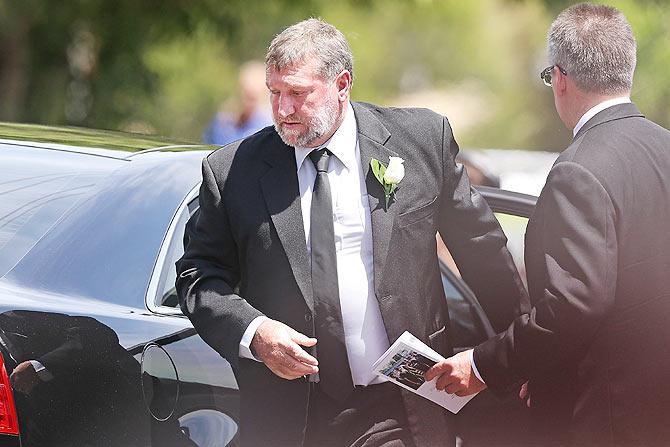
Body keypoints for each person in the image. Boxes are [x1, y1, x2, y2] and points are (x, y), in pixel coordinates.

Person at [177, 18, 526, 447]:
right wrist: (255, 333)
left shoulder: (419, 142)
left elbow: (483, 253)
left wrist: (517, 355)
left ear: (342, 84)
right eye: (275, 93)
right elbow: (197, 277)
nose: (283, 110)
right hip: (289, 417)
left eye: (298, 93)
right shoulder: (234, 172)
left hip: (402, 403)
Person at [427, 3, 670, 446]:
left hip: (599, 420)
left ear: (559, 78)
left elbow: (574, 304)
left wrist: (485, 365)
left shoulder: (578, 169)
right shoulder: (665, 148)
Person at [202, 60, 271, 145]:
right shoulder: (223, 122)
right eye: (245, 94)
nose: (247, 102)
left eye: (252, 97)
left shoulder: (268, 127)